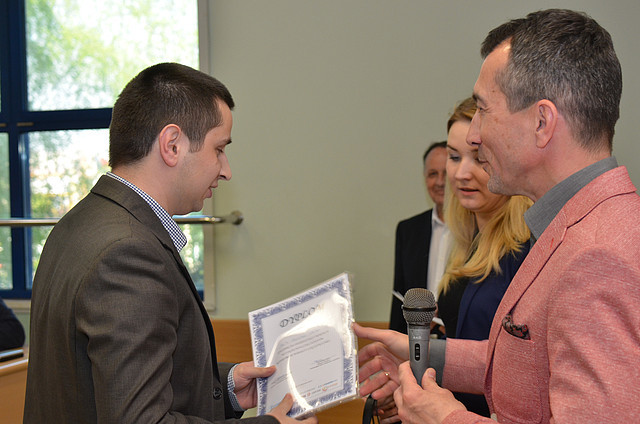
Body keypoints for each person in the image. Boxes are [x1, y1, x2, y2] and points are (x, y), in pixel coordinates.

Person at [356, 8, 640, 423]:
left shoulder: (598, 257)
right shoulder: (581, 223)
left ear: (542, 122)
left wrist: (445, 418)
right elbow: (531, 361)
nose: (475, 134)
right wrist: (427, 354)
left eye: (484, 110)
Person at [24, 63, 317, 424]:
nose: (226, 170)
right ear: (172, 145)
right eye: (219, 149)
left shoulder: (79, 222)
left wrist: (225, 387)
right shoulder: (127, 253)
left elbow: (108, 380)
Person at [435, 96, 531, 416]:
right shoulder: (466, 244)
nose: (461, 173)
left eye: (478, 158)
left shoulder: (526, 250)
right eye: (453, 157)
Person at [389, 140, 450, 334]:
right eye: (433, 174)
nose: (440, 182)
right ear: (425, 178)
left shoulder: (477, 230)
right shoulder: (408, 231)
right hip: (416, 341)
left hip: (459, 343)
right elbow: (399, 297)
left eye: (446, 173)